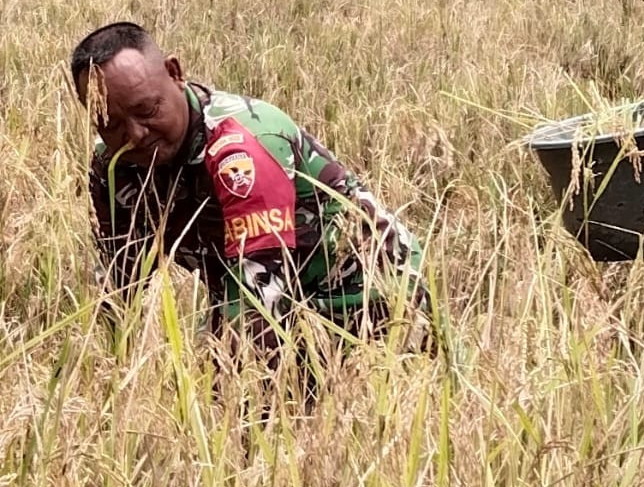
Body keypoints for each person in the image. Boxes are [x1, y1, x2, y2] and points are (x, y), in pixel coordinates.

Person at [71, 22, 428, 357]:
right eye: (108, 122)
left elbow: (260, 299)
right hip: (251, 293)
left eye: (147, 109)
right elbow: (121, 282)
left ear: (175, 74)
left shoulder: (240, 149)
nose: (135, 135)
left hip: (373, 296)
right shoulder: (114, 167)